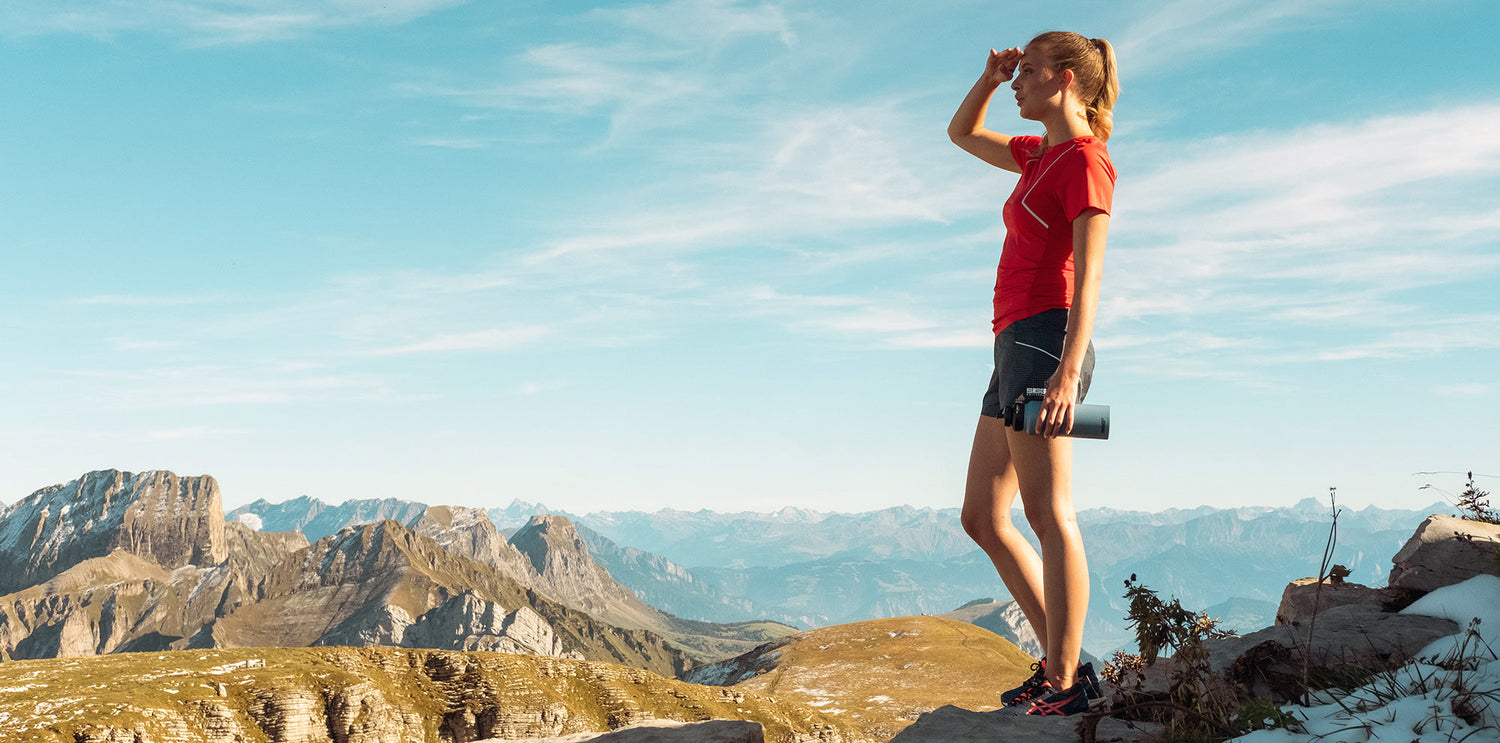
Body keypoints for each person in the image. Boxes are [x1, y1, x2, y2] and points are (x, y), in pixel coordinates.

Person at [947, 30, 1119, 717]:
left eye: (1029, 71)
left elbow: (1092, 273)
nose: (1019, 82)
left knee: (1049, 513)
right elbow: (962, 134)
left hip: (1048, 341)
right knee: (983, 517)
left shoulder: (1085, 161)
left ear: (1067, 78)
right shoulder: (1035, 155)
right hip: (1012, 342)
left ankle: (1068, 683)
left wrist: (1068, 371)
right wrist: (990, 78)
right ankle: (1058, 663)